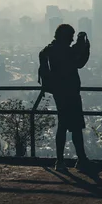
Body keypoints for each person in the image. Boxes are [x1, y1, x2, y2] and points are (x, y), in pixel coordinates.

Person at [39, 24, 90, 172]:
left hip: (58, 93)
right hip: (71, 92)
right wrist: (85, 46)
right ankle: (81, 160)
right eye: (71, 36)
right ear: (66, 36)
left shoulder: (50, 49)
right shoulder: (66, 51)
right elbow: (79, 63)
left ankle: (60, 161)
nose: (72, 39)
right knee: (76, 127)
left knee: (62, 125)